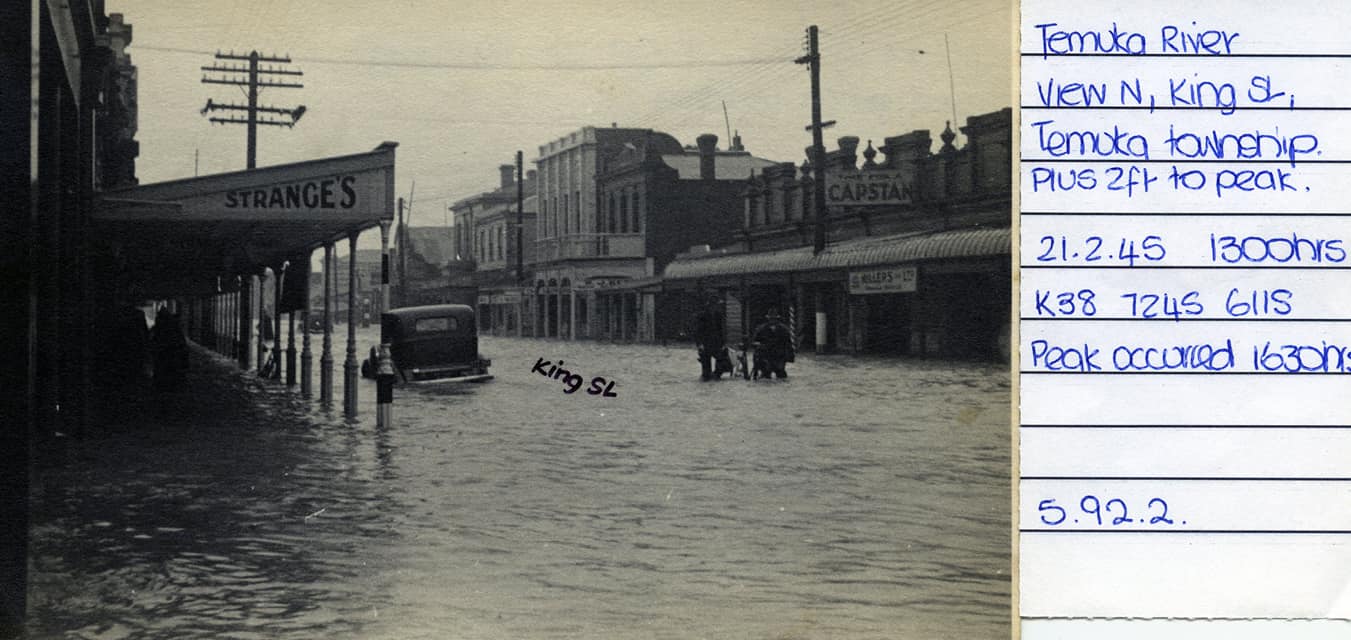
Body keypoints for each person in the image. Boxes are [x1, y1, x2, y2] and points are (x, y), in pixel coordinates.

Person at [693, 294, 730, 380]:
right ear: (710, 305)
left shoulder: (718, 315)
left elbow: (721, 330)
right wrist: (699, 344)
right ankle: (707, 377)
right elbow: (697, 331)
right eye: (715, 305)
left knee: (721, 362)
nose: (717, 307)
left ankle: (716, 375)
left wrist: (724, 342)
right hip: (705, 342)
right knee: (706, 369)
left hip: (717, 342)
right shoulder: (702, 316)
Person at [151, 306, 189, 390]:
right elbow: (181, 343)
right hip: (172, 352)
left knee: (162, 368)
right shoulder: (174, 327)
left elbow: (154, 339)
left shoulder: (159, 327)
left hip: (162, 352)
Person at [749, 307, 793, 379]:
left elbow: (788, 344)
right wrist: (757, 345)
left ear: (777, 319)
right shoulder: (761, 329)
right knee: (766, 373)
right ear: (768, 319)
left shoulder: (784, 329)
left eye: (774, 319)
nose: (772, 320)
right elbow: (755, 341)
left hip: (779, 355)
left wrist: (789, 357)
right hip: (766, 355)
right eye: (771, 319)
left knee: (781, 374)